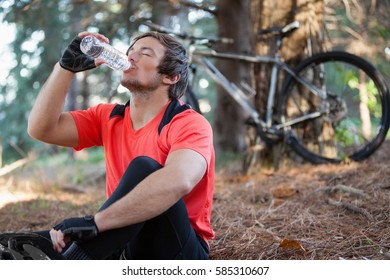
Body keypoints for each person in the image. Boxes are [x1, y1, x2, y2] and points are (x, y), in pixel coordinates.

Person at [26, 30, 215, 260]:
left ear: (171, 76)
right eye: (130, 52)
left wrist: (95, 223)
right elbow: (41, 128)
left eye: (145, 53)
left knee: (146, 169)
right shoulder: (108, 117)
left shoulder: (190, 124)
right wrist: (65, 68)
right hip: (123, 245)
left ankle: (69, 260)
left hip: (179, 253)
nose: (131, 57)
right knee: (22, 246)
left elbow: (178, 181)